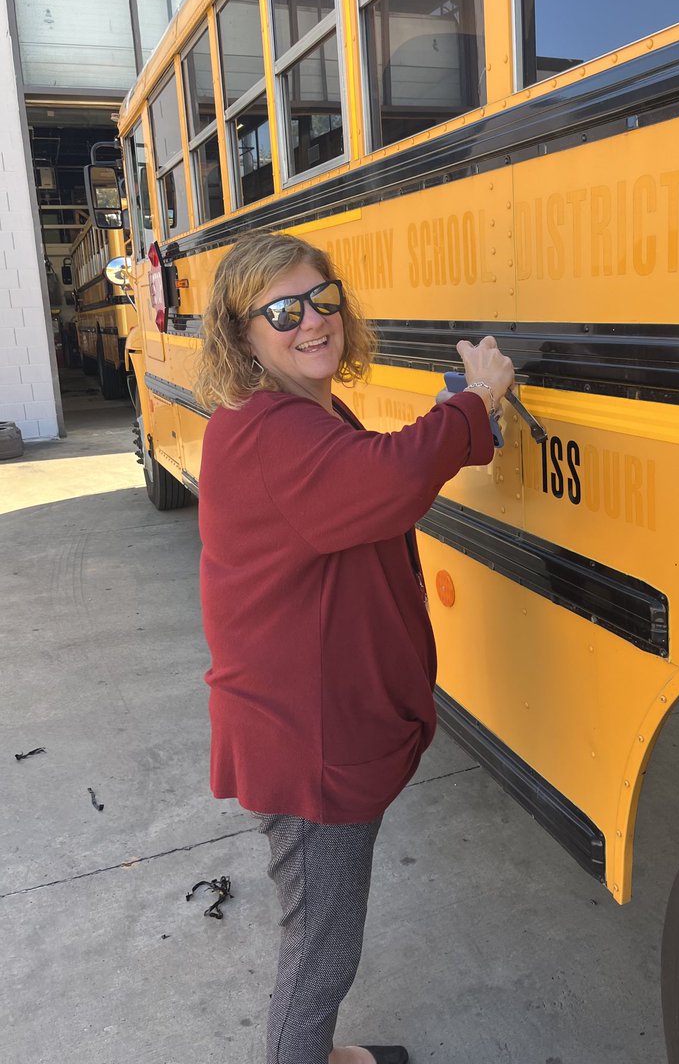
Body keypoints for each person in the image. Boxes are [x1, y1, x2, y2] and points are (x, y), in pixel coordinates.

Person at [194, 231, 515, 1064]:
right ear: (245, 335)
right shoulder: (270, 431)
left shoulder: (293, 413)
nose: (313, 321)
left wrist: (472, 425)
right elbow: (389, 481)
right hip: (308, 739)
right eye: (283, 310)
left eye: (324, 298)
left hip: (304, 720)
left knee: (318, 922)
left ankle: (314, 1050)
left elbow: (369, 473)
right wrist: (475, 401)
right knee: (323, 943)